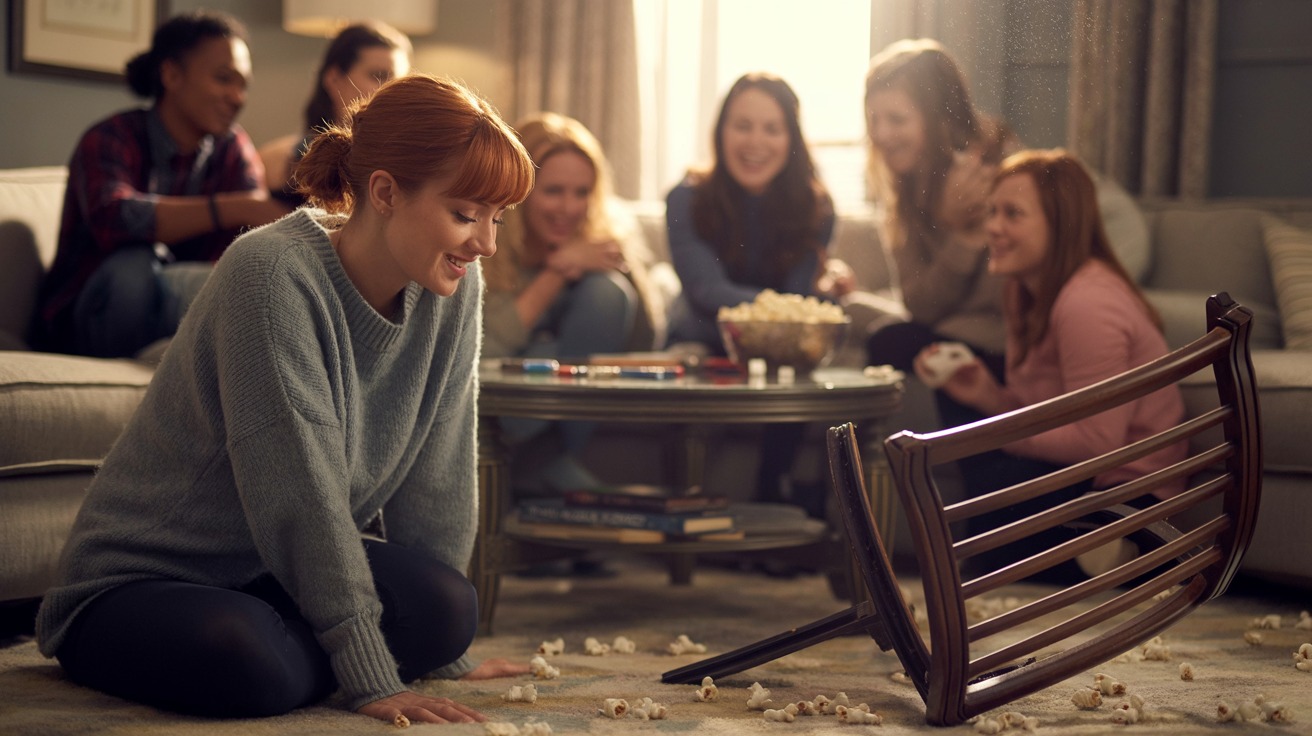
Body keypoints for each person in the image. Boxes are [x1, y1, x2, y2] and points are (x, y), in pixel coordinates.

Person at [35, 73, 536, 724]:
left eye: (496, 219)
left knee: (449, 606)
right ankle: (296, 650)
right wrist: (371, 674)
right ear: (384, 192)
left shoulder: (454, 286)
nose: (486, 244)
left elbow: (438, 478)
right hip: (142, 582)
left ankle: (304, 645)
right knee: (250, 660)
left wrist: (442, 643)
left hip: (268, 575)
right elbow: (301, 498)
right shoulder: (270, 275)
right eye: (466, 216)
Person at [918, 149, 1185, 576]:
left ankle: (1126, 544)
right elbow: (1044, 413)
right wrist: (988, 395)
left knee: (987, 497)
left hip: (1123, 486)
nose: (992, 227)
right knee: (979, 480)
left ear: (1060, 226)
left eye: (1012, 214)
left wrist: (1005, 432)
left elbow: (1097, 444)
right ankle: (1089, 554)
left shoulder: (1087, 302)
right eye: (991, 212)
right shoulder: (1022, 290)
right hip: (1079, 472)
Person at [860, 39, 1148, 384]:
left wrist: (967, 235)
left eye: (896, 119)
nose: (881, 134)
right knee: (890, 341)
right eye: (874, 120)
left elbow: (1009, 298)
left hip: (1034, 319)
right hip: (977, 331)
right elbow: (919, 306)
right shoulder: (905, 190)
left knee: (905, 345)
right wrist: (961, 236)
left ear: (939, 120)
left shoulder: (995, 173)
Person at [32, 10, 289, 358]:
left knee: (252, 285)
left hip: (175, 304)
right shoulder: (110, 137)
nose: (237, 96)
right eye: (224, 79)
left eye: (243, 84)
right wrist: (234, 207)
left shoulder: (232, 148)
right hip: (91, 313)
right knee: (135, 265)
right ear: (171, 74)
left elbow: (250, 235)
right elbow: (114, 217)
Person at [664, 72, 838, 513]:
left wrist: (817, 299)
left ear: (790, 138)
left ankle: (771, 495)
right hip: (703, 332)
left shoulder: (816, 207)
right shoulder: (685, 198)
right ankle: (690, 508)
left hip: (778, 347)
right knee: (690, 356)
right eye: (742, 126)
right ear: (721, 132)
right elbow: (705, 290)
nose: (755, 141)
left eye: (771, 128)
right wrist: (784, 310)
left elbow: (801, 298)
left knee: (801, 364)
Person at [482, 112, 668, 494]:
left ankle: (547, 463)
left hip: (549, 412)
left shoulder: (601, 236)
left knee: (606, 292)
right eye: (553, 191)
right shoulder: (486, 242)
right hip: (503, 400)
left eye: (582, 192)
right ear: (521, 189)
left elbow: (643, 341)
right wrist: (558, 270)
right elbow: (487, 348)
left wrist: (623, 268)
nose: (569, 208)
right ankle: (545, 471)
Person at [260, 21, 412, 207]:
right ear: (334, 79)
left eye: (397, 82)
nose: (389, 90)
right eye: (378, 76)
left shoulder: (409, 164)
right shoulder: (276, 161)